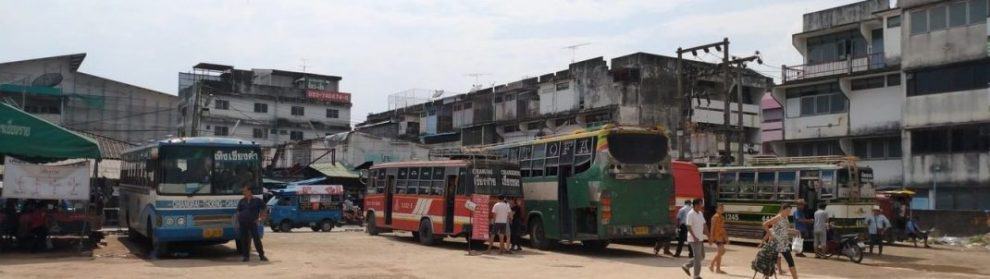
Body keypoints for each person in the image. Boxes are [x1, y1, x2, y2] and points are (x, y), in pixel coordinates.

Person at [763, 203, 799, 279]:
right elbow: (765, 224)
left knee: (790, 261)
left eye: (790, 211)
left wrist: (794, 231)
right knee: (771, 262)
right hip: (776, 244)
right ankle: (766, 277)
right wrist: (770, 234)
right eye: (788, 211)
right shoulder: (777, 217)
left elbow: (784, 230)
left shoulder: (786, 217)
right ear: (783, 210)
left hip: (784, 244)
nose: (789, 213)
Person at [236, 185, 268, 262]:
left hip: (253, 222)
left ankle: (261, 255)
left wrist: (261, 218)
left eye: (245, 191)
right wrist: (237, 221)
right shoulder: (242, 201)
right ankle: (246, 256)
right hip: (243, 223)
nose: (243, 192)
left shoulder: (257, 200)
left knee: (256, 239)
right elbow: (238, 211)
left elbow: (264, 208)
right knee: (244, 240)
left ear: (249, 191)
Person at [681, 198, 706, 279]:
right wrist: (694, 237)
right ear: (695, 205)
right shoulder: (690, 214)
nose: (701, 206)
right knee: (697, 257)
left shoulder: (700, 213)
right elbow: (688, 226)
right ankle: (696, 276)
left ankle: (687, 266)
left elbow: (704, 224)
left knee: (701, 256)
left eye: (701, 204)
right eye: (700, 204)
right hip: (693, 239)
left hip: (700, 238)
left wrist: (709, 235)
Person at [708, 204, 729, 274]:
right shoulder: (714, 217)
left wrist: (726, 237)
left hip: (721, 236)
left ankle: (717, 268)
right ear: (716, 210)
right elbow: (712, 228)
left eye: (722, 208)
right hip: (716, 237)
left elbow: (723, 228)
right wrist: (711, 237)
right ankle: (712, 265)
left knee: (720, 252)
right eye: (720, 208)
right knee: (721, 252)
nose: (722, 210)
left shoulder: (722, 217)